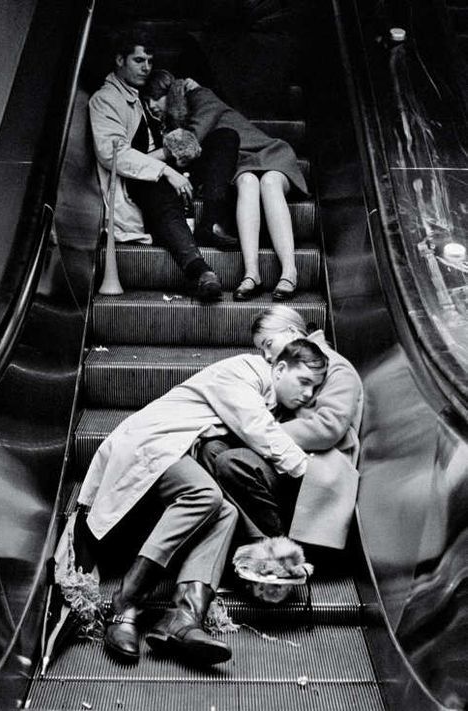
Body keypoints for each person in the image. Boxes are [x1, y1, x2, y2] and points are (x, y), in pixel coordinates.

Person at [76, 339, 328, 666]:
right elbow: (259, 430)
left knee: (225, 512)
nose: (307, 395)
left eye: (315, 387)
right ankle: (125, 604)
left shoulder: (267, 396)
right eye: (304, 382)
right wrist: (317, 478)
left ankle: (183, 619)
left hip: (176, 458)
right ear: (279, 368)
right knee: (205, 495)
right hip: (153, 446)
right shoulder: (243, 372)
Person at [88, 27, 240, 302]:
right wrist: (166, 169)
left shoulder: (139, 93)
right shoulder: (106, 100)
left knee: (225, 137)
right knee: (157, 188)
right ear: (119, 60)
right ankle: (199, 270)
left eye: (149, 61)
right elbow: (113, 154)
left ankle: (211, 221)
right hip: (139, 178)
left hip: (166, 165)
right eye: (138, 61)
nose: (146, 68)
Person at [200, 305, 364, 553]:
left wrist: (267, 434)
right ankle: (261, 543)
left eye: (268, 343)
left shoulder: (335, 367)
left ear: (290, 331)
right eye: (261, 349)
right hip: (290, 456)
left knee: (233, 461)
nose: (266, 355)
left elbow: (328, 428)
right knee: (212, 448)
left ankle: (281, 550)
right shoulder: (291, 363)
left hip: (318, 465)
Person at [144, 70, 309, 301]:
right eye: (147, 99)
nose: (151, 104)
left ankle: (289, 271)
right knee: (248, 181)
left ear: (170, 93)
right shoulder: (178, 115)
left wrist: (139, 158)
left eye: (155, 96)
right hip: (242, 165)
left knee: (270, 182)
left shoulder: (200, 96)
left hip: (268, 153)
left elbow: (188, 141)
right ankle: (252, 274)